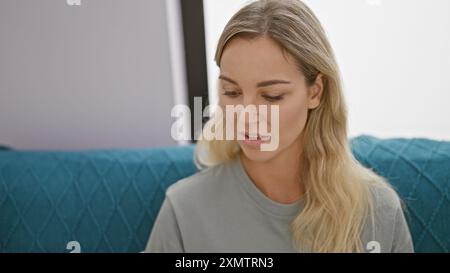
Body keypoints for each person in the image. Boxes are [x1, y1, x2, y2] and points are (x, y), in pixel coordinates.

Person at [144, 0, 414, 253]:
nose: (246, 116)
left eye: (271, 96)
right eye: (231, 91)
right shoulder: (184, 210)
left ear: (315, 92)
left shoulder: (379, 211)